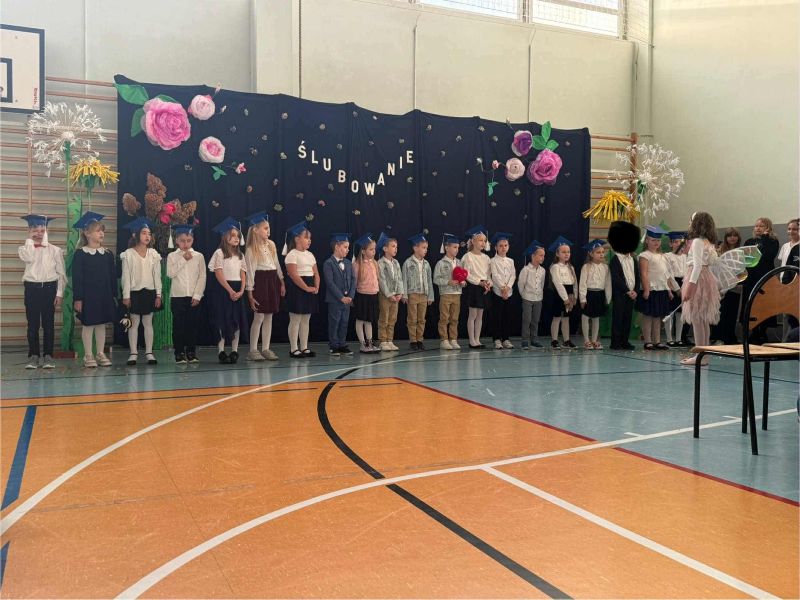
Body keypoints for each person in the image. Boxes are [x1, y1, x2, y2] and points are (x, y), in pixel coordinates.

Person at [18, 215, 65, 369]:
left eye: (42, 230)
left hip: (49, 289)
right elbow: (29, 258)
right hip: (31, 289)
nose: (38, 233)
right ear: (29, 230)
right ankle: (34, 355)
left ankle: (48, 355)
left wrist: (59, 293)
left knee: (48, 324)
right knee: (32, 324)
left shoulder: (55, 250)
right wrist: (30, 240)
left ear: (46, 231)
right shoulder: (24, 249)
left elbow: (61, 274)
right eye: (35, 230)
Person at [71, 212, 116, 368]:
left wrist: (113, 295)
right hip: (88, 296)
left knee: (101, 324)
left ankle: (100, 353)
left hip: (104, 295)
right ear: (87, 233)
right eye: (97, 230)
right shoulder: (80, 254)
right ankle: (88, 354)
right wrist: (78, 298)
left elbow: (112, 276)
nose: (101, 233)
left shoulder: (107, 254)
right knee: (89, 325)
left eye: (102, 230)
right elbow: (77, 278)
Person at [680, 211, 720, 366]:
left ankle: (699, 356)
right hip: (706, 277)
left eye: (691, 220)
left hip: (697, 278)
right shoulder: (708, 242)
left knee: (697, 318)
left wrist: (690, 287)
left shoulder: (697, 241)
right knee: (703, 319)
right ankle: (704, 355)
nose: (689, 223)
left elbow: (697, 266)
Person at [120, 217, 162, 366]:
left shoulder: (153, 254)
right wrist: (126, 295)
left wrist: (158, 294)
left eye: (149, 233)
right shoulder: (128, 254)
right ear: (135, 235)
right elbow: (126, 276)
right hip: (134, 293)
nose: (147, 236)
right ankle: (133, 353)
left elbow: (157, 276)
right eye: (144, 233)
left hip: (149, 292)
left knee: (148, 322)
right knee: (134, 323)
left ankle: (149, 352)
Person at [244, 212, 284, 362]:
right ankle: (253, 350)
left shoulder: (271, 244)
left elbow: (276, 263)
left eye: (268, 228)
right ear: (256, 230)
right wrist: (250, 293)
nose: (268, 231)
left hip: (272, 280)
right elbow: (250, 272)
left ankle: (266, 348)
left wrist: (281, 280)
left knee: (269, 316)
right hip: (260, 282)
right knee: (259, 316)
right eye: (265, 228)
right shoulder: (251, 249)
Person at [209, 218, 248, 364]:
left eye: (238, 236)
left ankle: (234, 350)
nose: (236, 238)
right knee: (222, 319)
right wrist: (230, 291)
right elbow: (218, 273)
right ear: (225, 237)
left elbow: (243, 273)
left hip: (237, 289)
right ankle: (221, 351)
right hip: (224, 289)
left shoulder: (240, 255)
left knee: (235, 320)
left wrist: (241, 290)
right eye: (233, 236)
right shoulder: (219, 253)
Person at [166, 223, 206, 364]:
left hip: (193, 297)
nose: (186, 244)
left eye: (188, 241)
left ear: (193, 240)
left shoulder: (199, 256)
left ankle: (191, 352)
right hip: (177, 297)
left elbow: (202, 277)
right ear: (177, 240)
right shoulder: (172, 256)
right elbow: (170, 274)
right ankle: (179, 352)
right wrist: (183, 259)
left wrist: (197, 295)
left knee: (192, 326)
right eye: (182, 241)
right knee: (178, 326)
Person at [636, 226, 679, 350]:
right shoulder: (644, 255)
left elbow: (666, 275)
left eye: (658, 240)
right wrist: (646, 289)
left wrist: (669, 290)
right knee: (648, 316)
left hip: (661, 289)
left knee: (658, 316)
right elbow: (644, 273)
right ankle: (648, 341)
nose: (656, 242)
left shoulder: (663, 256)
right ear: (647, 241)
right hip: (651, 289)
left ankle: (657, 341)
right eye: (653, 240)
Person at [283, 221, 319, 358]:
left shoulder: (310, 255)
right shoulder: (292, 254)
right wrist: (306, 288)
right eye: (306, 237)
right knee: (295, 319)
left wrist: (316, 286)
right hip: (297, 288)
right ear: (297, 239)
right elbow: (294, 275)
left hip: (309, 287)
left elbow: (316, 273)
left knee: (306, 319)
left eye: (310, 238)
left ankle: (304, 347)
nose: (309, 240)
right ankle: (294, 348)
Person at [742, 217, 779, 343]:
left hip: (765, 277)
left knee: (765, 304)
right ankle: (754, 331)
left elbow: (768, 256)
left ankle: (763, 331)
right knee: (751, 303)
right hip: (751, 277)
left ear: (767, 228)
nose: (758, 228)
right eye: (756, 226)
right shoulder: (749, 241)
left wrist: (765, 237)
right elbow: (747, 259)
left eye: (761, 226)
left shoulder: (772, 241)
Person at [608, 221, 640, 351]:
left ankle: (625, 341)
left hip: (631, 294)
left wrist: (635, 291)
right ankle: (615, 342)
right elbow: (616, 278)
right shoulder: (615, 259)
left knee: (628, 318)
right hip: (620, 294)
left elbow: (637, 277)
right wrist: (627, 290)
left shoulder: (633, 260)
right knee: (618, 318)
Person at [323, 233, 356, 356]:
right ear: (337, 247)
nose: (348, 250)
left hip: (347, 300)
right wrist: (341, 297)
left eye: (348, 247)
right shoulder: (328, 263)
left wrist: (350, 296)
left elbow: (353, 280)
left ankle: (342, 344)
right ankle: (334, 345)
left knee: (344, 322)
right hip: (335, 300)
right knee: (335, 322)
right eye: (345, 247)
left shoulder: (348, 263)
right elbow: (330, 283)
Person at [460, 226, 492, 349]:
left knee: (480, 315)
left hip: (484, 287)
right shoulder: (468, 256)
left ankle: (477, 339)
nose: (483, 243)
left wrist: (488, 284)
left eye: (484, 241)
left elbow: (488, 274)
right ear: (473, 241)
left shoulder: (486, 258)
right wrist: (479, 282)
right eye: (480, 240)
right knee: (472, 315)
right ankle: (472, 340)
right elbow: (467, 274)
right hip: (474, 287)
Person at [402, 233, 434, 351]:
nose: (426, 250)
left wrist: (430, 296)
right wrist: (405, 294)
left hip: (424, 294)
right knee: (412, 318)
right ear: (415, 248)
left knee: (421, 319)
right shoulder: (408, 262)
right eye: (423, 247)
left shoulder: (426, 264)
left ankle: (420, 339)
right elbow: (404, 279)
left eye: (426, 248)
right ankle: (413, 340)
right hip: (413, 294)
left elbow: (429, 280)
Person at [433, 234, 465, 350]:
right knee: (444, 318)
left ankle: (453, 339)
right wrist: (448, 282)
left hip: (457, 294)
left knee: (454, 318)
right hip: (446, 294)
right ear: (447, 247)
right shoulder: (441, 263)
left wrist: (463, 282)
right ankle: (444, 339)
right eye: (454, 247)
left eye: (458, 247)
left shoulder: (459, 262)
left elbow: (463, 277)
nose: (457, 250)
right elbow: (436, 279)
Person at [579, 239, 611, 350]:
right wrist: (582, 298)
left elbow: (607, 284)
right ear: (591, 254)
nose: (601, 254)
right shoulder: (586, 267)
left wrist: (607, 297)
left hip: (600, 294)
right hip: (589, 294)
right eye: (598, 252)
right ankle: (586, 340)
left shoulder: (605, 267)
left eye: (602, 252)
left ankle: (594, 340)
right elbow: (582, 283)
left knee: (596, 317)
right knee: (585, 316)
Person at [352, 233, 381, 353]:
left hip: (373, 295)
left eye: (374, 249)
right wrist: (352, 297)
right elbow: (354, 283)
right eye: (371, 249)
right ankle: (362, 343)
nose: (374, 251)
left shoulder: (375, 263)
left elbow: (377, 280)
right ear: (363, 251)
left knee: (369, 320)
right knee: (361, 320)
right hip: (361, 296)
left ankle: (369, 342)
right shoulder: (357, 265)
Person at [713, 227, 742, 344]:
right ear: (726, 238)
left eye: (735, 235)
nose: (732, 238)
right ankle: (719, 337)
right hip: (721, 286)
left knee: (732, 313)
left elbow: (741, 270)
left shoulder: (740, 252)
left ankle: (730, 338)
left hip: (735, 287)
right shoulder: (719, 251)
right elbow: (716, 269)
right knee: (721, 313)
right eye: (730, 236)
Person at [548, 236, 578, 349]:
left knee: (566, 318)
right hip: (559, 294)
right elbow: (558, 283)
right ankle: (554, 340)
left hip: (569, 294)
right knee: (557, 317)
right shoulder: (554, 267)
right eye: (563, 252)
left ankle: (566, 340)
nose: (566, 254)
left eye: (568, 252)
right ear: (557, 254)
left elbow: (575, 282)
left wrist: (574, 296)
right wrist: (565, 298)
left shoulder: (571, 267)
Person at [377, 233, 404, 352]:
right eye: (393, 246)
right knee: (384, 318)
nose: (395, 249)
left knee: (393, 319)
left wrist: (400, 293)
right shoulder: (380, 263)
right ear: (385, 248)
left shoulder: (396, 263)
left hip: (395, 296)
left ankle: (389, 340)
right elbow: (381, 280)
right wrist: (389, 294)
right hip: (385, 296)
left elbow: (399, 278)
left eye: (396, 247)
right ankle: (383, 341)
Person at [489, 232, 516, 349]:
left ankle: (506, 339)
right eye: (500, 246)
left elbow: (513, 275)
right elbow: (494, 276)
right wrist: (502, 288)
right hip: (497, 292)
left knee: (507, 316)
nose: (503, 248)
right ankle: (496, 339)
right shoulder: (493, 261)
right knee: (497, 316)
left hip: (509, 293)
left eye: (505, 245)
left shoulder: (511, 261)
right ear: (495, 247)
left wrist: (508, 287)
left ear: (508, 247)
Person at [518, 240, 546, 349]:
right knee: (527, 320)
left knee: (535, 320)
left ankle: (534, 339)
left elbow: (542, 284)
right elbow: (521, 284)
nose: (543, 258)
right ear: (533, 256)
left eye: (543, 256)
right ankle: (525, 340)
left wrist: (539, 294)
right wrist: (524, 295)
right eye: (540, 255)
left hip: (538, 298)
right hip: (527, 298)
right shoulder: (526, 270)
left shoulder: (543, 270)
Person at [663, 231, 688, 347]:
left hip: (684, 283)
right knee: (670, 312)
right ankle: (669, 339)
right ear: (671, 244)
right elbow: (669, 274)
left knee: (680, 313)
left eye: (680, 242)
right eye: (676, 242)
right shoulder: (667, 256)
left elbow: (688, 272)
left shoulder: (685, 257)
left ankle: (678, 338)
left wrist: (685, 286)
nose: (678, 244)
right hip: (672, 285)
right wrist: (677, 289)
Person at [778, 218, 799, 330]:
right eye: (789, 229)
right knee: (786, 313)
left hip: (797, 284)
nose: (791, 231)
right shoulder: (785, 246)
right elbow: (783, 264)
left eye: (795, 229)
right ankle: (785, 339)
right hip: (785, 282)